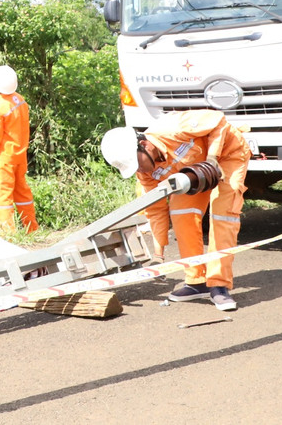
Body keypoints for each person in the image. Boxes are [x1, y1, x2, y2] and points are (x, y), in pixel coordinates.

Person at [100, 110, 250, 311]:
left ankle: (219, 285)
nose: (140, 171)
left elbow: (218, 121)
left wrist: (213, 157)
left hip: (227, 154)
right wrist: (158, 253)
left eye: (137, 164)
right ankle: (197, 281)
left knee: (222, 214)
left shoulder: (172, 128)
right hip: (193, 169)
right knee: (181, 214)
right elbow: (155, 210)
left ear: (144, 145)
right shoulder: (146, 173)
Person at [0, 65, 37, 234]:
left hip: (4, 158)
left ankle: (8, 235)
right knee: (22, 193)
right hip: (20, 155)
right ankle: (31, 228)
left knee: (1, 197)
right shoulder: (20, 100)